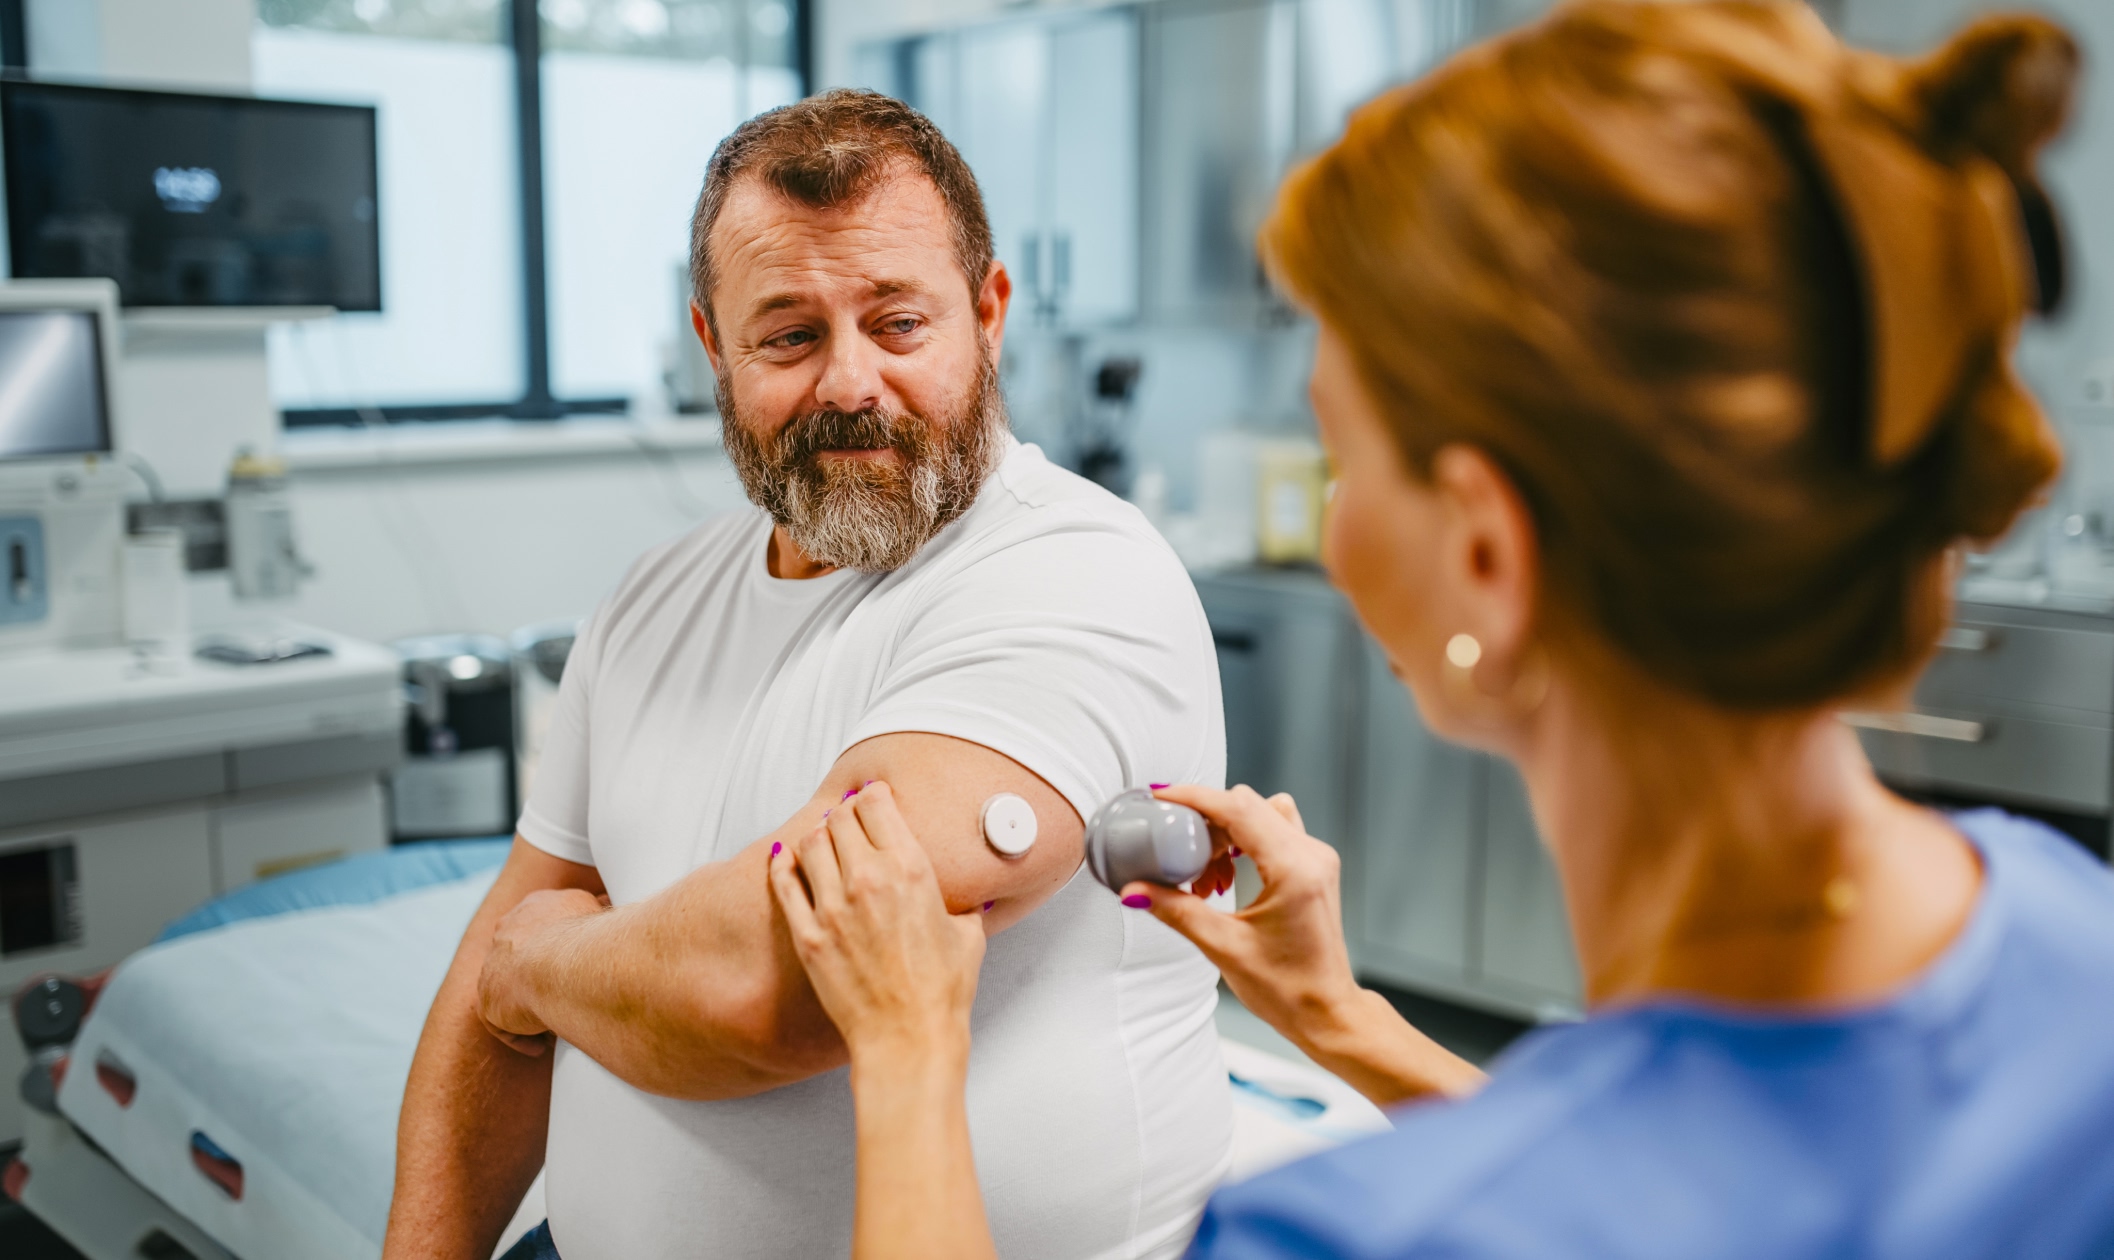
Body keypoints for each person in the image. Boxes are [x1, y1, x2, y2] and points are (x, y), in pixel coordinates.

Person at [768, 5, 2114, 1258]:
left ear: (1483, 555)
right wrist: (1345, 1023)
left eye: (1345, 460)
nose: (1337, 528)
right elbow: (1669, 1182)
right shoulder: (2070, 940)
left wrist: (902, 1052)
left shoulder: (1348, 1235)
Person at [381, 90, 1235, 1260]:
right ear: (712, 351)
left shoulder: (1078, 576)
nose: (846, 383)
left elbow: (774, 986)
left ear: (986, 315)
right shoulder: (647, 602)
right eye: (787, 335)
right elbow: (488, 995)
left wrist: (540, 966)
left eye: (896, 324)